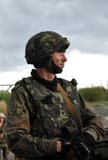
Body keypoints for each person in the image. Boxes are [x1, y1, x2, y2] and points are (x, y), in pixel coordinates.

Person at [6, 31, 105, 160]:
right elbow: (16, 140)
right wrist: (59, 146)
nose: (65, 58)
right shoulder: (23, 92)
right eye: (60, 52)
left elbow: (97, 120)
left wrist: (88, 136)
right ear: (44, 54)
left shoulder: (68, 89)